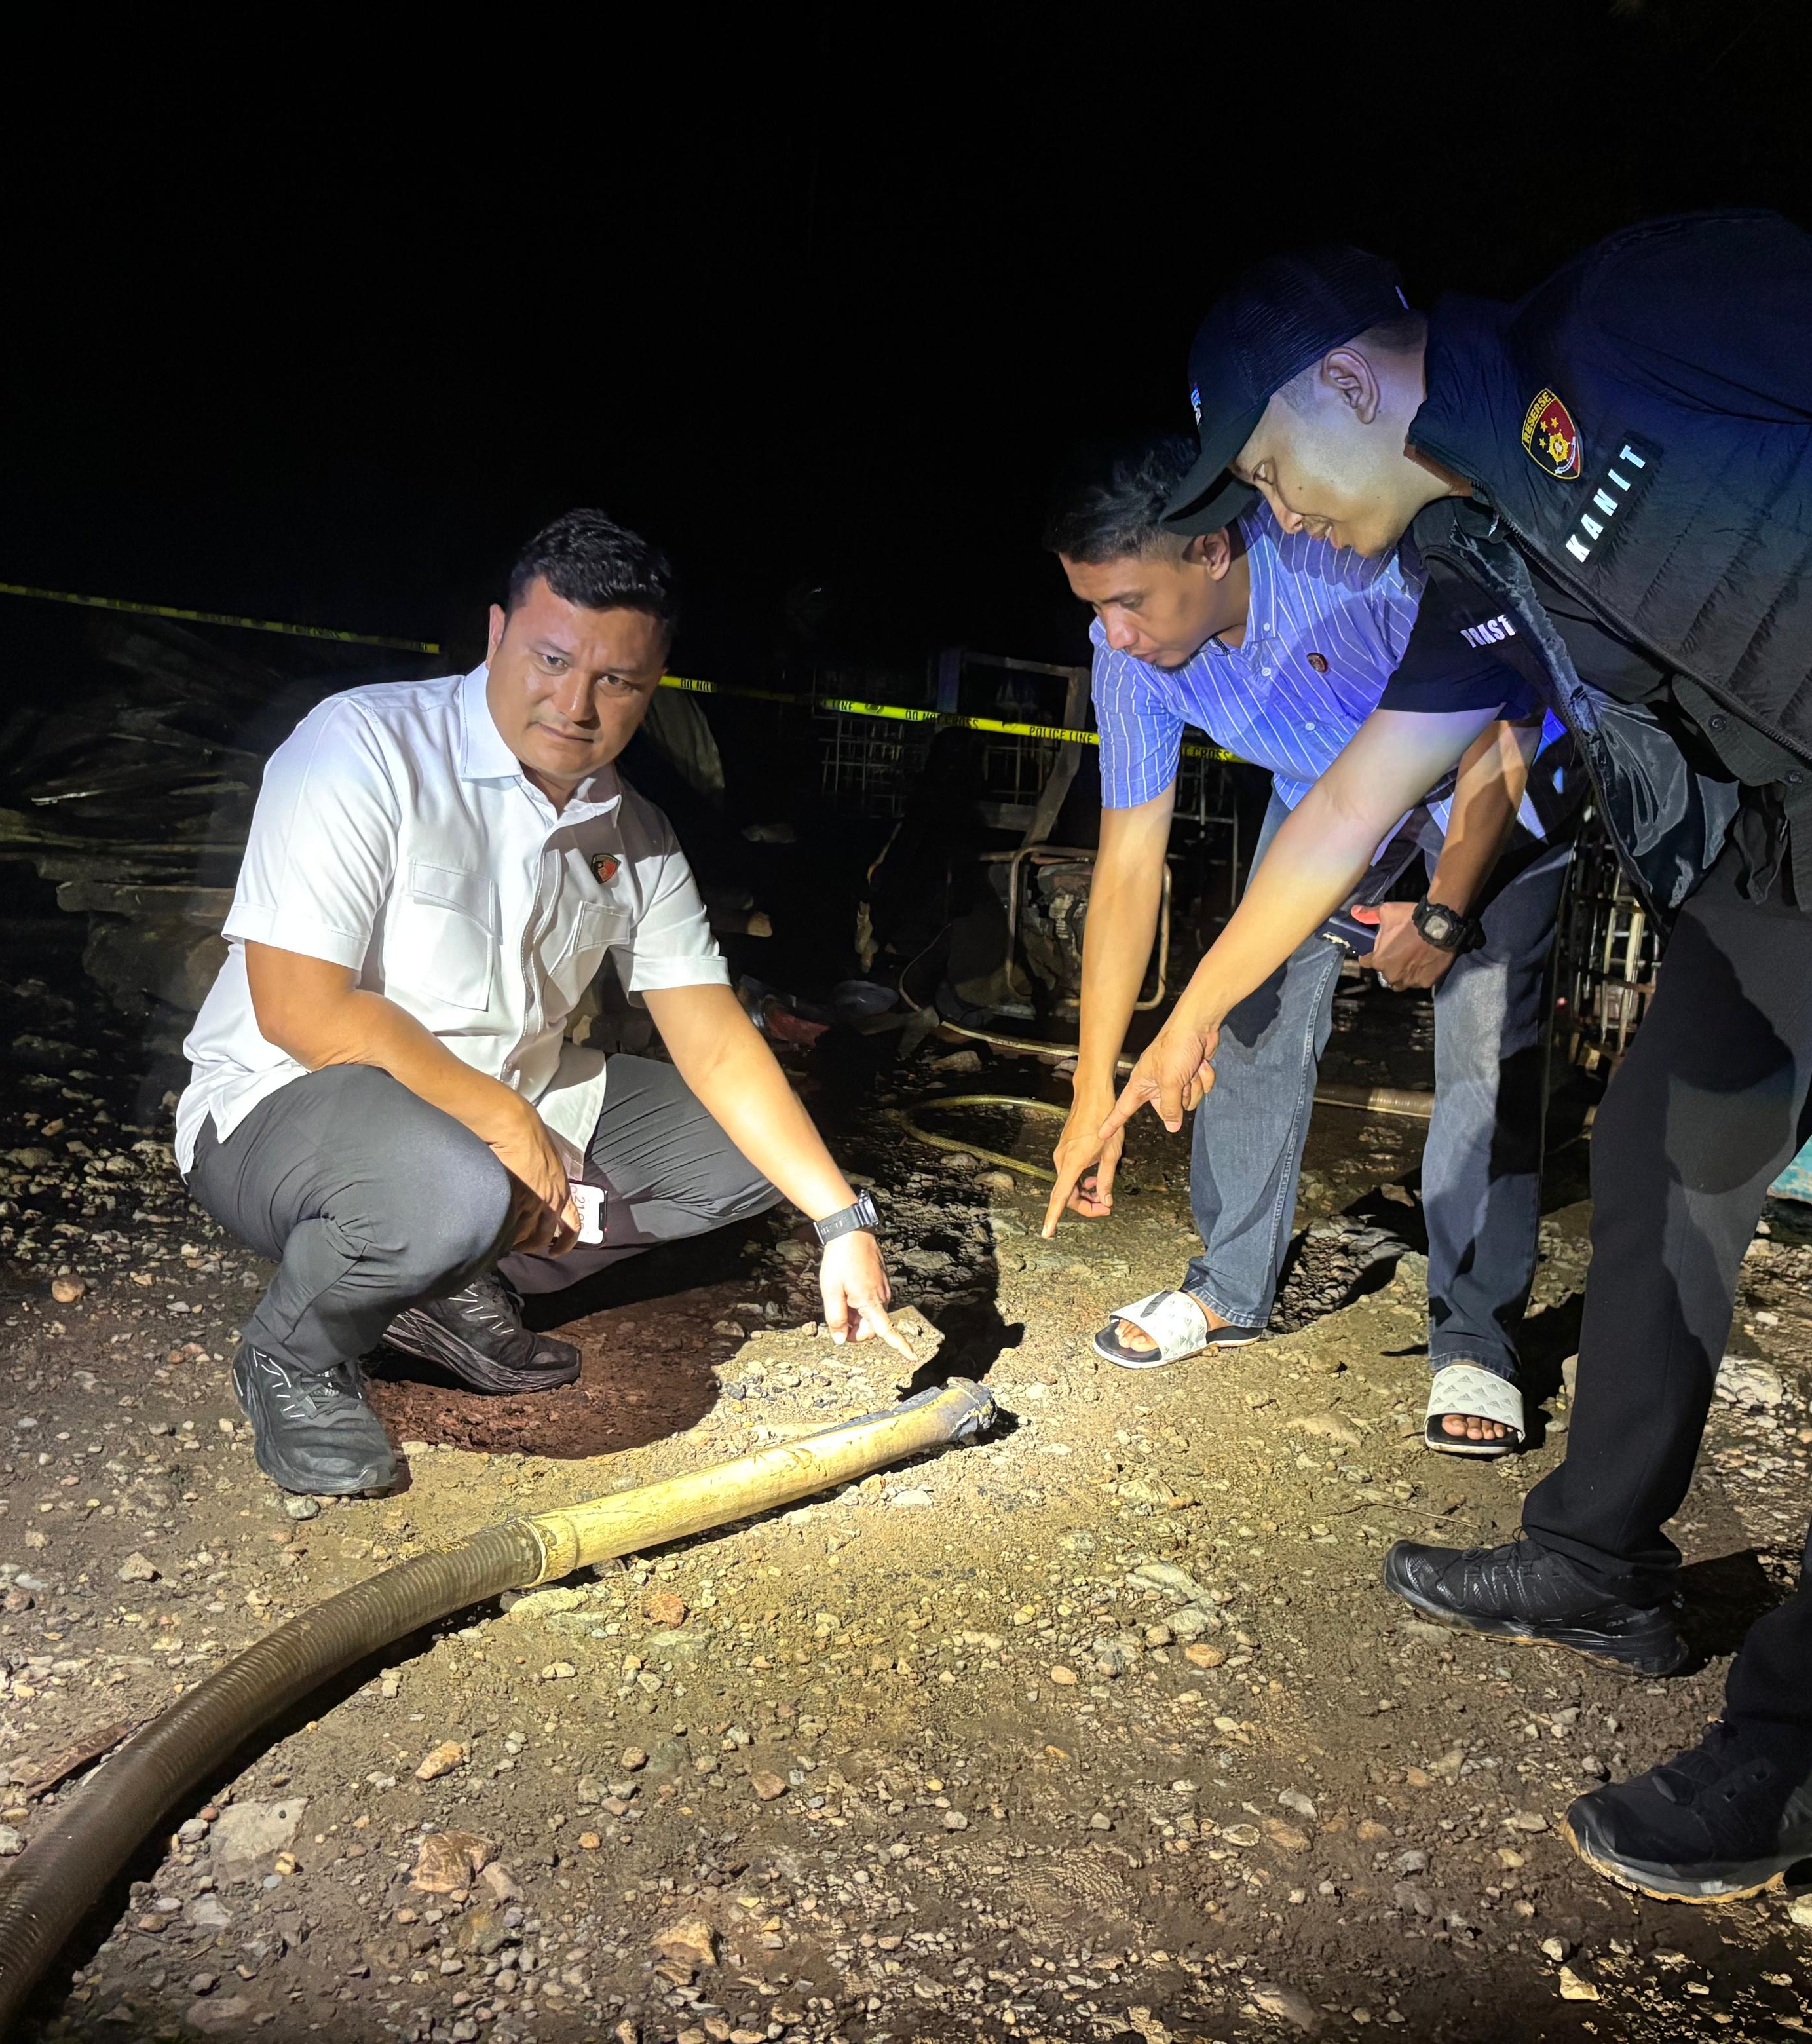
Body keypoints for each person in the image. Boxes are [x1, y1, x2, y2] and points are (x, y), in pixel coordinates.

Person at [1098, 220, 1812, 1901]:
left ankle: (1810, 1756)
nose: (1269, 511)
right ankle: (1596, 1563)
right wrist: (1191, 1018)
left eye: (1267, 465)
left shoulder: (1642, 315)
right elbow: (1351, 802)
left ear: (1346, 379)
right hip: (1801, 829)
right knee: (1662, 1150)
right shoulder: (1482, 546)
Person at [174, 509, 908, 1497]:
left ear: (653, 687)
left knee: (749, 1159)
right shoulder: (365, 746)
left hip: (501, 1107)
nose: (576, 703)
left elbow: (718, 1041)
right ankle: (294, 1356)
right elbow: (302, 1008)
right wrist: (501, 1121)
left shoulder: (633, 830)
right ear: (496, 635)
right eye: (552, 659)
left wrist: (840, 1220)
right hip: (288, 1101)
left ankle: (447, 1281)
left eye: (619, 681)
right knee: (451, 1188)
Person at [1040, 434, 1570, 1452]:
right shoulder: (1130, 662)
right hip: (1323, 806)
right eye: (1091, 609)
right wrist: (1090, 1090)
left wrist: (1451, 907)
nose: (1112, 634)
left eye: (1129, 602)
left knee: (1481, 1055)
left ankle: (1475, 1340)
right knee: (1246, 1011)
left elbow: (1509, 710)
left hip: (1485, 787)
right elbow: (1128, 867)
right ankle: (1231, 1283)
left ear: (1206, 552)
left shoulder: (1351, 569)